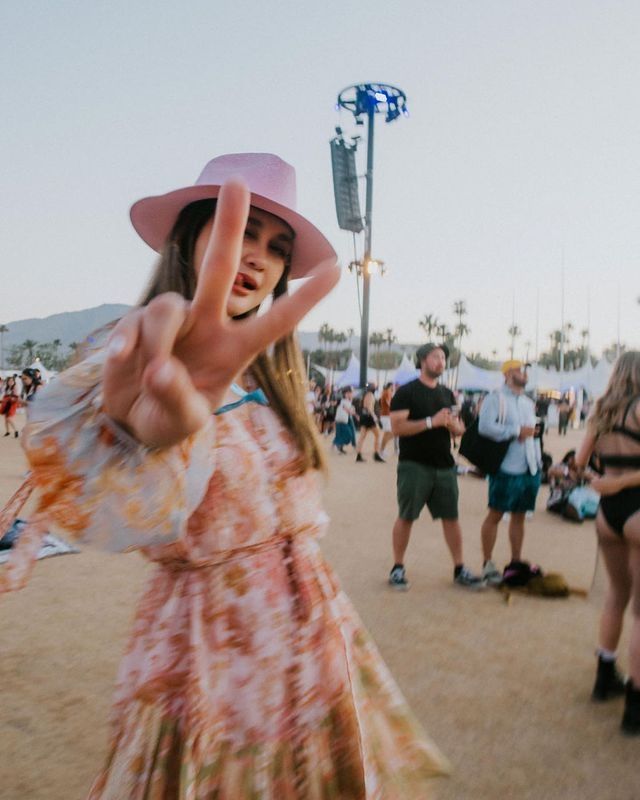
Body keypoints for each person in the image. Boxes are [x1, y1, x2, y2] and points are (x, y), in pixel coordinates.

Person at [1, 153, 449, 795]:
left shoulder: (271, 371)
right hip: (208, 649)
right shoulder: (138, 350)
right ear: (191, 238)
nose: (259, 258)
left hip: (309, 632)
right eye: (240, 232)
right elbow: (104, 480)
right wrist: (144, 435)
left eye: (276, 246)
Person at [575, 351, 640, 736]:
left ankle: (605, 676)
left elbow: (580, 462)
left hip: (608, 514)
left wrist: (609, 479)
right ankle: (635, 706)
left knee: (616, 594)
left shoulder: (602, 412)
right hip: (636, 509)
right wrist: (624, 481)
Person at [388, 343, 485, 591]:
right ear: (422, 360)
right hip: (414, 465)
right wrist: (432, 422)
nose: (441, 361)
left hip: (445, 466)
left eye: (443, 357)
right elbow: (398, 428)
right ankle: (397, 567)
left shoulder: (447, 393)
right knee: (407, 516)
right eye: (435, 357)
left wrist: (454, 427)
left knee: (451, 518)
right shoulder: (406, 392)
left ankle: (459, 568)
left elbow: (459, 428)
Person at [478, 360, 541, 586]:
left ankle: (515, 561)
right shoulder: (495, 398)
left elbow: (532, 434)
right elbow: (484, 427)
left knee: (519, 515)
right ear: (506, 375)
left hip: (529, 467)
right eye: (518, 370)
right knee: (495, 515)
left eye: (525, 371)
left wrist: (538, 462)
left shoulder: (527, 402)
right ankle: (487, 563)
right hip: (506, 467)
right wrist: (516, 431)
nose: (523, 374)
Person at [355, 382, 384, 463]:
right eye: (375, 387)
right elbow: (369, 407)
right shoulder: (370, 395)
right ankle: (376, 454)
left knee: (362, 437)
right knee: (378, 435)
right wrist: (375, 418)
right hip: (369, 417)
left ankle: (358, 455)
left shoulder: (365, 395)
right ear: (372, 388)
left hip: (364, 417)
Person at [333, 385, 357, 453]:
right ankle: (338, 444)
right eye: (351, 392)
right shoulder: (343, 401)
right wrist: (355, 414)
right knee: (347, 433)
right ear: (346, 393)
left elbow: (349, 408)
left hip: (347, 418)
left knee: (350, 432)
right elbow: (346, 409)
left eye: (352, 392)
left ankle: (341, 445)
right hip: (344, 419)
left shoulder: (348, 400)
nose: (352, 393)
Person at [379, 382, 395, 457]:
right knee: (389, 433)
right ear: (390, 386)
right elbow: (389, 403)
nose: (393, 388)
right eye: (393, 386)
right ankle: (381, 450)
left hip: (386, 415)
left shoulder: (386, 392)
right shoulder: (387, 392)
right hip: (386, 416)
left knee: (390, 433)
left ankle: (382, 449)